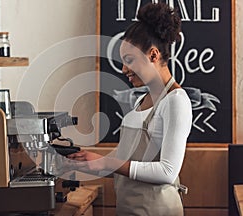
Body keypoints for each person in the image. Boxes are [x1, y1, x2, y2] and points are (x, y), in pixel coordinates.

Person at [67, 2, 192, 216]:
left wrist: (104, 162)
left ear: (153, 55)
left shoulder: (175, 101)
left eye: (129, 60)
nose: (124, 69)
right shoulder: (141, 100)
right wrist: (88, 161)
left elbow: (167, 172)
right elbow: (130, 162)